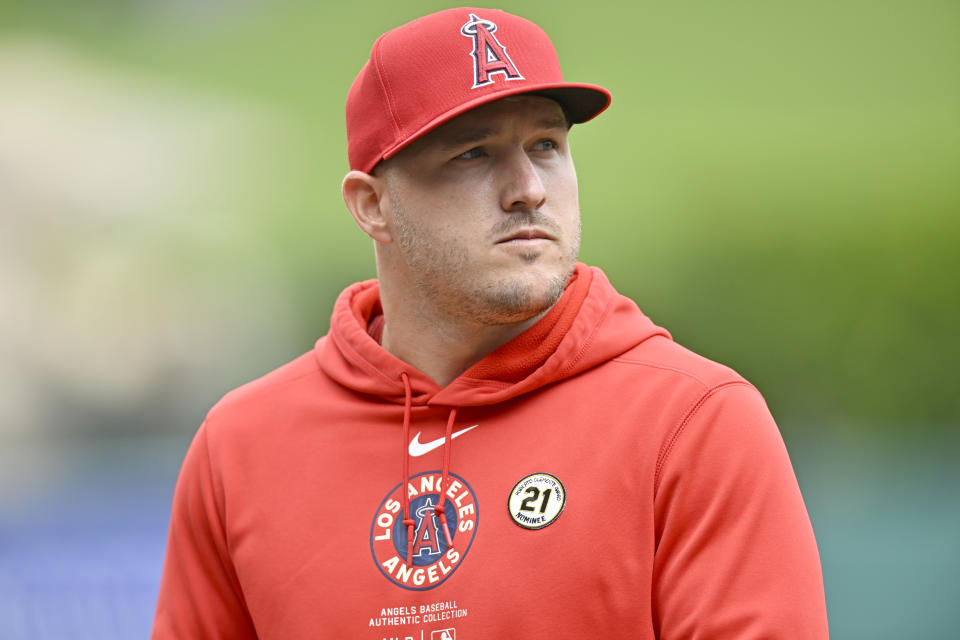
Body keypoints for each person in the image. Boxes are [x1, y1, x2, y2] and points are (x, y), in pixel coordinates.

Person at [153, 7, 828, 639]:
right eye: (472, 153)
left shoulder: (695, 423)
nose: (528, 188)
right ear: (372, 206)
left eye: (545, 145)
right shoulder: (239, 450)